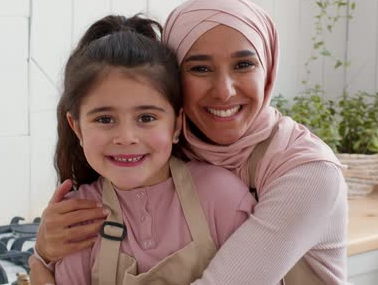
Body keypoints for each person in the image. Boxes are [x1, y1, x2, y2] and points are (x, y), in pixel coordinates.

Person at [30, 0, 348, 285]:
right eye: (200, 68)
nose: (224, 90)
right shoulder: (179, 150)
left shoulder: (309, 174)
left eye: (244, 64)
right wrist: (44, 251)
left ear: (268, 67)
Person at [43, 14, 259, 284]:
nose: (126, 137)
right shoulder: (75, 218)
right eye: (104, 119)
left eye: (146, 118)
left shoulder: (223, 198)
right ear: (76, 128)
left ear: (176, 125)